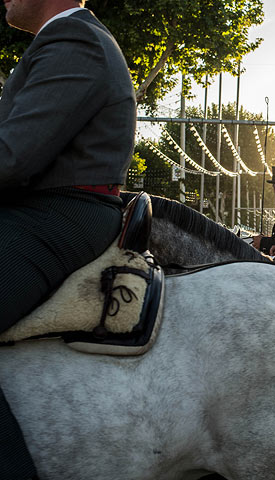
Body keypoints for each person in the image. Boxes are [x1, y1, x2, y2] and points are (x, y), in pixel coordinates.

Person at [0, 1, 135, 476]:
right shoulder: (67, 39)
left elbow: (12, 156)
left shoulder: (73, 39)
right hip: (45, 208)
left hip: (55, 215)